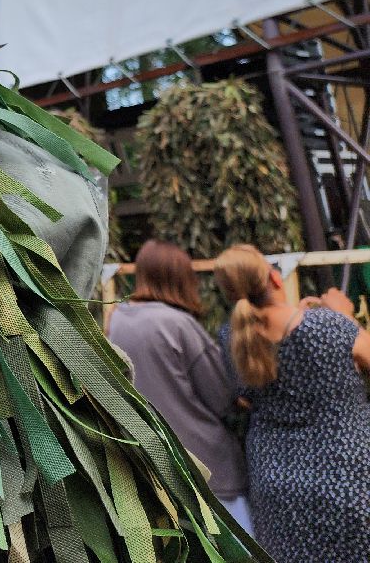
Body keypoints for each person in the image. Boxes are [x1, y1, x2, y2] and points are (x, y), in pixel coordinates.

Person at [214, 244, 370, 561]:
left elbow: (244, 398)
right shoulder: (330, 326)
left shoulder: (232, 336)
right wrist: (344, 316)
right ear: (274, 279)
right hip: (344, 478)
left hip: (274, 488)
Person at [108, 240, 251, 530]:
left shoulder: (116, 320)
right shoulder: (178, 324)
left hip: (152, 469)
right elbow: (222, 397)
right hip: (208, 470)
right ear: (180, 277)